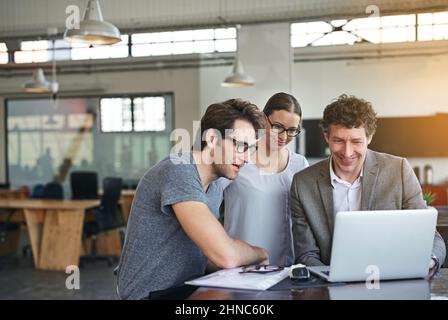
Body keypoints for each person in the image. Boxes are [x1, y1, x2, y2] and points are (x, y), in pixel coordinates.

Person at [117, 99, 269, 300]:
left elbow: (207, 258)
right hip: (149, 296)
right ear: (213, 139)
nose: (246, 157)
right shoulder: (179, 170)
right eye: (240, 145)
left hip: (187, 288)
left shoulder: (214, 184)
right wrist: (260, 253)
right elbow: (226, 255)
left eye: (250, 149)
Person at [290, 94, 446, 272]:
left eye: (356, 142)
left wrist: (428, 261)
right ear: (326, 137)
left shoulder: (399, 170)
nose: (347, 152)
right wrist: (335, 279)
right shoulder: (303, 184)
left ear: (370, 137)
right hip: (331, 286)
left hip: (393, 280)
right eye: (338, 141)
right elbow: (306, 254)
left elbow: (430, 238)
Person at [223, 92, 308, 266]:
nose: (284, 137)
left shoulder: (300, 165)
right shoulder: (237, 160)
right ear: (263, 118)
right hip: (240, 267)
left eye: (292, 130)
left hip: (286, 269)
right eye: (277, 126)